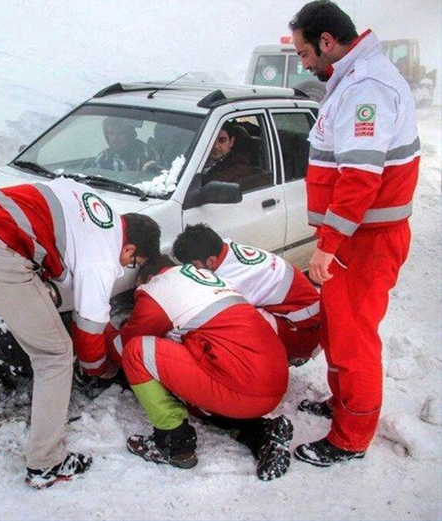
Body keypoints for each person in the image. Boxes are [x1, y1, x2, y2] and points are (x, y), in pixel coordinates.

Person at [0, 177, 161, 489]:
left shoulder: (90, 203)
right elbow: (89, 330)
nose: (126, 268)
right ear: (131, 247)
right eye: (132, 262)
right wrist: (101, 370)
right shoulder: (104, 255)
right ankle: (47, 462)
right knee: (54, 355)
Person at [289, 1, 420, 466]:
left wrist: (329, 244)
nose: (303, 63)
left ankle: (352, 435)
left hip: (365, 240)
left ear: (327, 42)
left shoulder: (368, 86)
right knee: (338, 327)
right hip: (354, 237)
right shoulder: (353, 79)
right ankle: (342, 403)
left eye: (305, 53)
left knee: (353, 338)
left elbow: (360, 177)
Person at [105, 255, 292, 481]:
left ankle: (174, 444)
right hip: (272, 379)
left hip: (244, 387)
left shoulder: (158, 288)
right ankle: (262, 434)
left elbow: (123, 349)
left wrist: (102, 326)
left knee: (137, 351)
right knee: (190, 393)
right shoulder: (211, 281)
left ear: (150, 278)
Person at [173, 223, 321, 365]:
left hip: (308, 334)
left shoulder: (234, 279)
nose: (193, 270)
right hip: (310, 317)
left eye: (194, 266)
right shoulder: (226, 248)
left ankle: (279, 358)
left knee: (231, 322)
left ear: (211, 261)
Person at [91, 117, 157, 172]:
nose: (115, 138)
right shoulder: (103, 158)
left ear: (130, 134)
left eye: (120, 133)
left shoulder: (147, 151)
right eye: (111, 134)